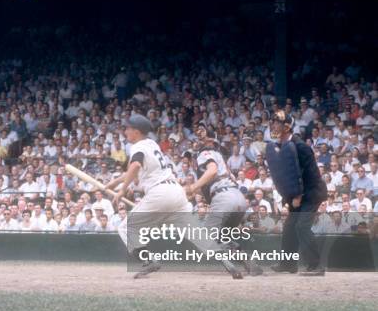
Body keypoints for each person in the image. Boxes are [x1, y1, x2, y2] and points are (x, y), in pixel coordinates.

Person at [105, 115, 245, 279]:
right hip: (176, 193)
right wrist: (114, 182)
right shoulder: (152, 144)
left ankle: (149, 260)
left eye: (128, 128)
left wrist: (121, 190)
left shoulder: (137, 146)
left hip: (160, 193)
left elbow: (135, 165)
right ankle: (227, 263)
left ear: (136, 132)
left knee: (126, 227)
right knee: (197, 235)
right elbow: (135, 173)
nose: (125, 131)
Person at [187, 124, 262, 275]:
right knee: (223, 237)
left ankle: (231, 267)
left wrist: (192, 187)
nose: (199, 139)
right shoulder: (222, 158)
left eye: (202, 135)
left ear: (211, 141)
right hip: (238, 198)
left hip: (223, 197)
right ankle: (246, 260)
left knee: (204, 237)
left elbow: (212, 171)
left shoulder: (205, 153)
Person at [267, 111, 328, 275]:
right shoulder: (282, 145)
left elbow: (309, 174)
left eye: (276, 123)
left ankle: (316, 266)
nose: (273, 126)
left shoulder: (300, 146)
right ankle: (288, 264)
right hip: (297, 194)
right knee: (289, 227)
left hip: (311, 192)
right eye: (272, 122)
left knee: (301, 226)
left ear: (286, 126)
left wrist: (298, 196)